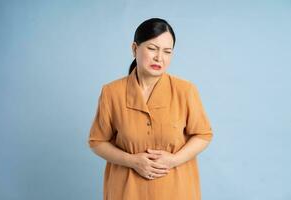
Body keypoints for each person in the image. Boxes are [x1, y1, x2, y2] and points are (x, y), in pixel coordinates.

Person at [88, 18, 213, 200]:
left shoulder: (185, 91)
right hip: (127, 191)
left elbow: (203, 135)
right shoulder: (111, 92)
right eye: (152, 48)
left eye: (167, 51)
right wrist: (133, 161)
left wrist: (173, 160)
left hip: (176, 191)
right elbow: (97, 141)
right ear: (134, 49)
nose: (159, 58)